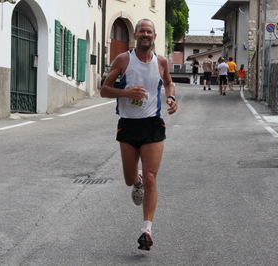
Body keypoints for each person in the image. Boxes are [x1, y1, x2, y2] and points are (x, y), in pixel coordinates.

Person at [100, 18, 178, 251]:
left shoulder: (161, 61)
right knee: (129, 179)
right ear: (135, 35)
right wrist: (126, 92)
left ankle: (147, 230)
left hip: (153, 124)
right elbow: (104, 90)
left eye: (149, 31)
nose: (145, 34)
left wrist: (172, 98)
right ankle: (137, 181)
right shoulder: (124, 59)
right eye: (142, 31)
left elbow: (169, 84)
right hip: (128, 125)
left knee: (153, 176)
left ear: (154, 36)